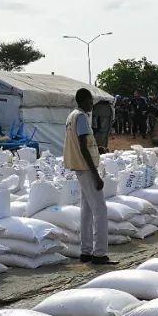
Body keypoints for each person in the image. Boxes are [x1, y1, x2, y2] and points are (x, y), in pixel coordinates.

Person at [63, 88, 114, 265]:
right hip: (86, 169)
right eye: (90, 101)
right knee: (100, 209)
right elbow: (83, 147)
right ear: (83, 100)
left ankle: (85, 251)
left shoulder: (72, 116)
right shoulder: (82, 117)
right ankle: (100, 253)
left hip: (79, 168)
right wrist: (96, 175)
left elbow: (81, 144)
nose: (92, 104)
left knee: (87, 210)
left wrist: (97, 149)